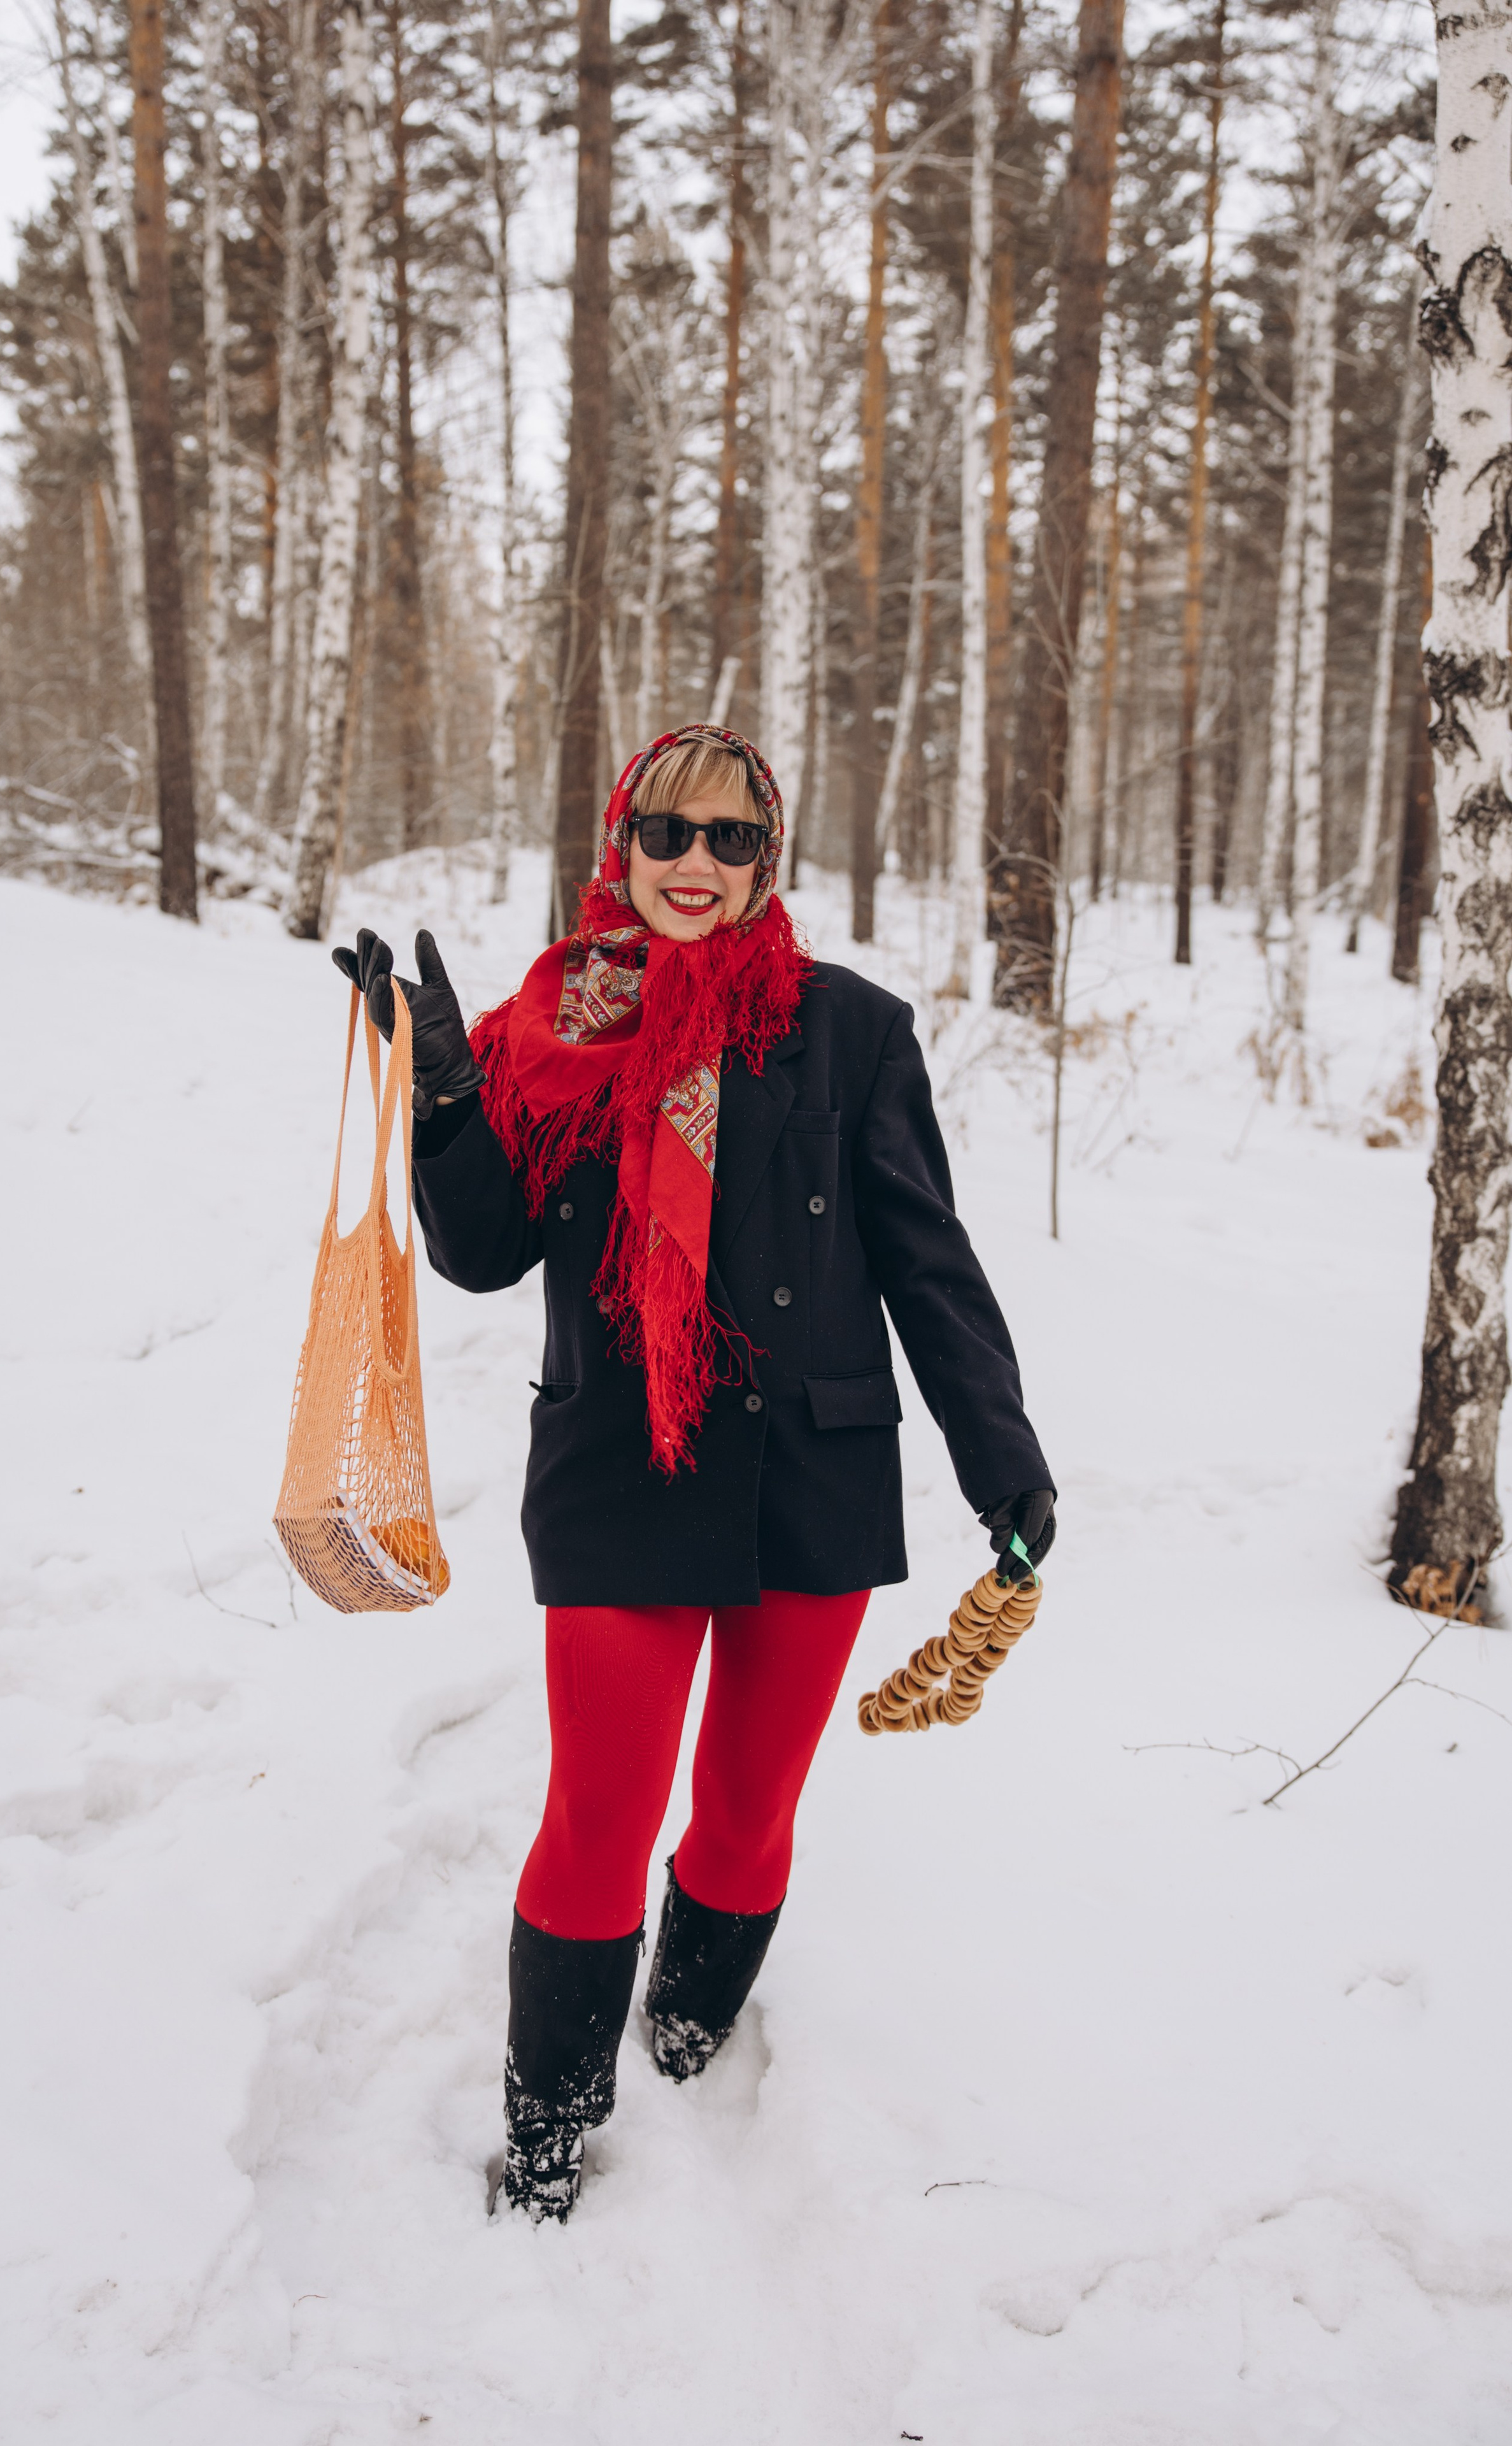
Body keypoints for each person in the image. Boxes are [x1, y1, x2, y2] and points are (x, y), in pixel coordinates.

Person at [332, 724, 1055, 2224]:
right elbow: (477, 1255)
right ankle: (547, 2129)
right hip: (617, 1468)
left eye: (732, 840)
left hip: (815, 1472)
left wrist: (1000, 1451)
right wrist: (451, 1094)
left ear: (764, 860)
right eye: (668, 832)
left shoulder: (847, 1029)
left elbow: (925, 1256)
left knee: (741, 1809)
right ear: (622, 843)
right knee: (596, 1814)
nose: (695, 866)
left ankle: (684, 2033)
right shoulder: (562, 1023)